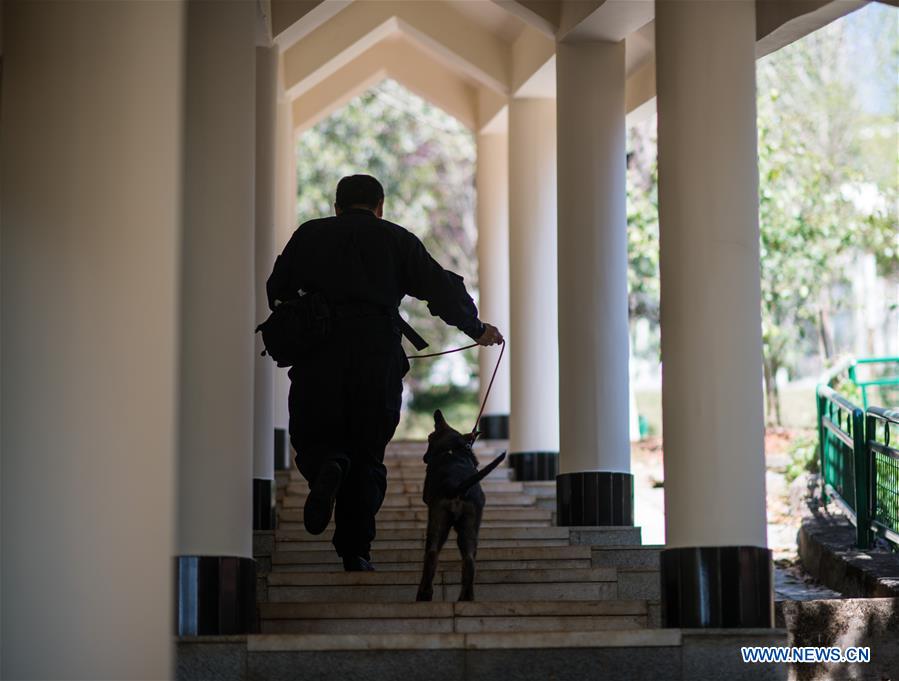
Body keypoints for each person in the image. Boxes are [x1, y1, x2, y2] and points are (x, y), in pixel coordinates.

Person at [266, 174, 503, 571]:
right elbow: (440, 288)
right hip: (377, 357)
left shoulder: (309, 235)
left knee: (313, 436)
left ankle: (327, 464)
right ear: (380, 207)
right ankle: (355, 550)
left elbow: (277, 291)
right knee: (367, 452)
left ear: (336, 206)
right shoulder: (397, 239)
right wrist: (476, 329)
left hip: (319, 353)